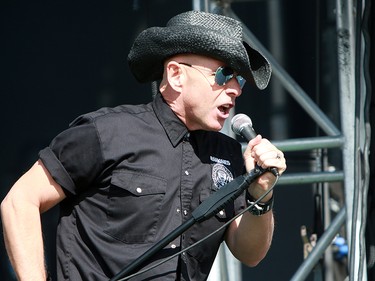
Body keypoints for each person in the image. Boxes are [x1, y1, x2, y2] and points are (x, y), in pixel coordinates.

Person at [1, 10, 286, 281]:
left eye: (239, 80)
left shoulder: (227, 155)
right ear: (175, 74)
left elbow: (249, 254)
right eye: (224, 74)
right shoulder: (108, 132)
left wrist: (261, 195)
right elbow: (20, 201)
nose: (235, 88)